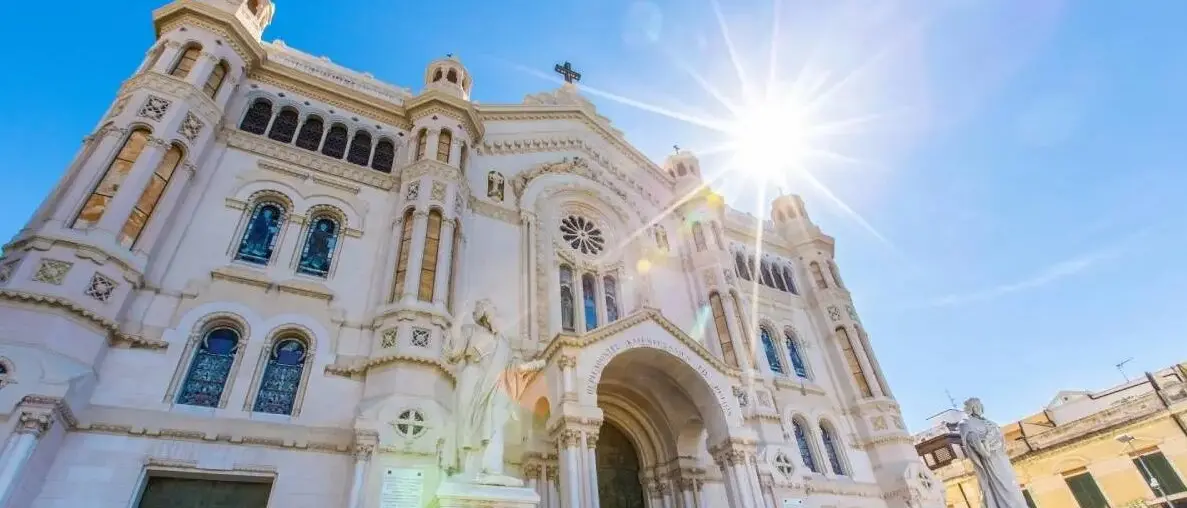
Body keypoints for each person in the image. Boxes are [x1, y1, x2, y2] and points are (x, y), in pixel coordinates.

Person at [444, 299, 543, 485]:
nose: (496, 317)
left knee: (493, 424)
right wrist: (457, 321)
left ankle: (491, 468)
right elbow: (453, 352)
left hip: (493, 387)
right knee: (467, 422)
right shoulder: (470, 331)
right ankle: (468, 469)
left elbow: (512, 368)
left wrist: (532, 366)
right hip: (471, 379)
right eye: (492, 313)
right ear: (485, 315)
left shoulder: (503, 342)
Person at [958, 398, 1028, 508]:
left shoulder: (989, 422)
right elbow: (974, 443)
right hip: (989, 461)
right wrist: (985, 443)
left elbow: (1001, 439)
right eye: (977, 405)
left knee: (1013, 487)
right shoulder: (965, 423)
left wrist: (993, 440)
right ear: (972, 408)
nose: (980, 407)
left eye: (980, 405)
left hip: (1002, 458)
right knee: (1002, 487)